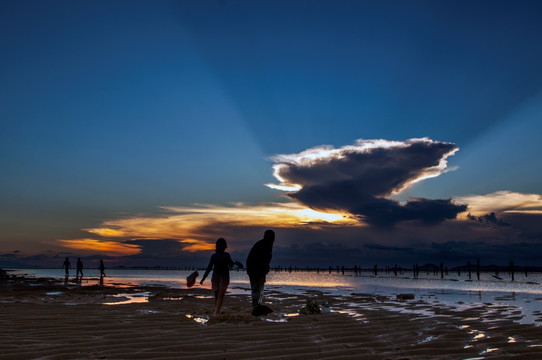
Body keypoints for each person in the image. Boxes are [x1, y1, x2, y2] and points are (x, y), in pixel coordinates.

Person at [200, 238, 243, 316]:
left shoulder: (216, 256)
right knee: (219, 295)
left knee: (218, 295)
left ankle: (216, 311)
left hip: (219, 277)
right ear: (224, 246)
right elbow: (230, 264)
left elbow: (209, 268)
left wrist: (203, 278)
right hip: (221, 276)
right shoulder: (223, 255)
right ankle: (217, 311)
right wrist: (236, 264)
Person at [246, 229, 275, 308]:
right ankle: (256, 306)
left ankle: (257, 304)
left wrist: (264, 271)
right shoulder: (263, 245)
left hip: (255, 269)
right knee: (256, 288)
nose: (273, 240)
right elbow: (262, 260)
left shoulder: (265, 244)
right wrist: (263, 272)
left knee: (258, 288)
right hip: (254, 269)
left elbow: (266, 260)